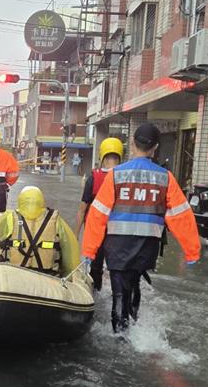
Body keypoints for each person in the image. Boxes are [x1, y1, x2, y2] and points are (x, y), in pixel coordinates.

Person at [81, 122, 201, 332]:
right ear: (155, 148)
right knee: (134, 282)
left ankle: (120, 336)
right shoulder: (165, 177)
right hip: (148, 245)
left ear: (133, 144)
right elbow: (181, 216)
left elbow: (97, 216)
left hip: (117, 245)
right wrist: (192, 251)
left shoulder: (116, 175)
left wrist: (89, 251)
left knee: (119, 291)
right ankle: (134, 324)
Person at [0, 186, 79, 277]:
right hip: (47, 275)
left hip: (15, 274)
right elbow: (70, 251)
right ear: (42, 202)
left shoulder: (10, 217)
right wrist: (68, 275)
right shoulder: (56, 220)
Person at [76, 137, 124, 291]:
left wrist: (75, 235)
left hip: (96, 230)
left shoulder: (93, 178)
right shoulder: (125, 177)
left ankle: (95, 293)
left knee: (95, 266)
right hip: (119, 231)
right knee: (118, 268)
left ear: (102, 157)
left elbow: (82, 209)